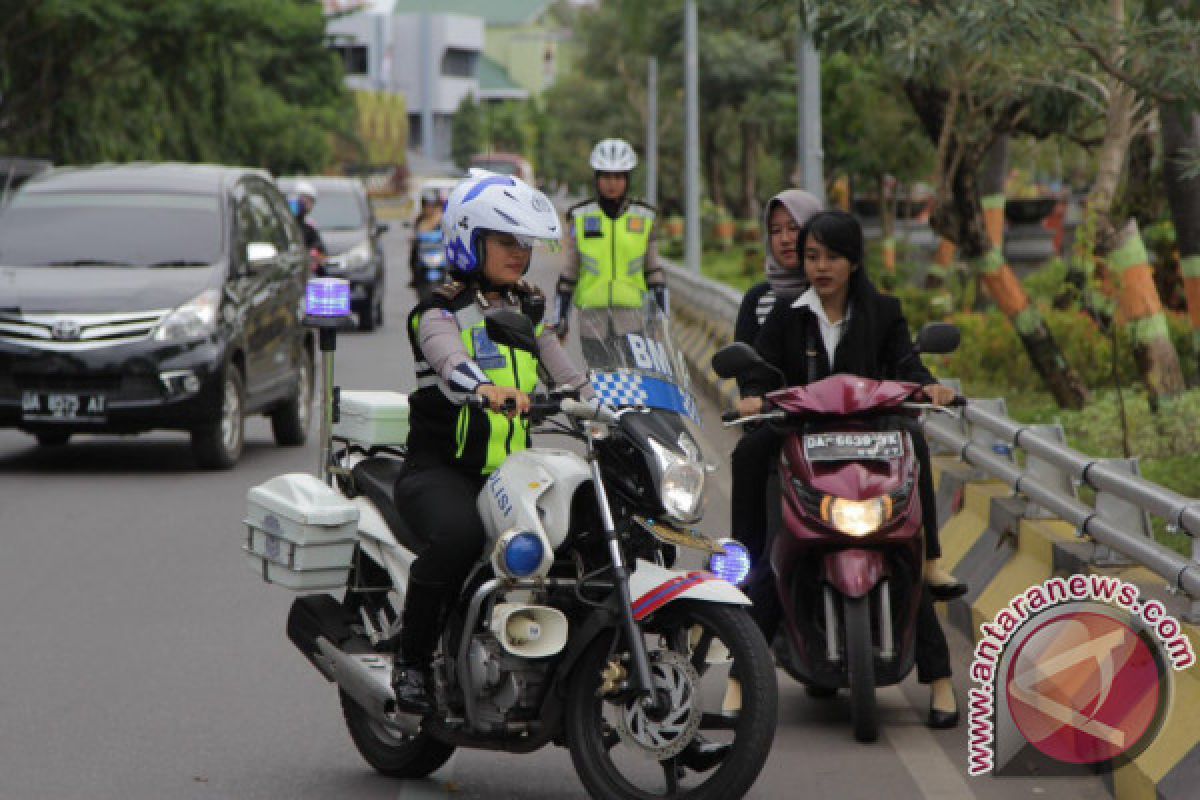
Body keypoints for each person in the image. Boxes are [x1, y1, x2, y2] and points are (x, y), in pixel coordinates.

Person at [738, 210, 960, 728]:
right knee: (766, 517)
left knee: (903, 538)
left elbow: (908, 365)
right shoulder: (789, 313)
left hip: (873, 446)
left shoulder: (884, 311)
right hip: (806, 447)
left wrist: (931, 387)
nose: (820, 266)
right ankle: (739, 580)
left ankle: (941, 673)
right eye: (812, 256)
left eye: (831, 256)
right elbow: (758, 369)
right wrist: (751, 396)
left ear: (853, 261)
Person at [390, 170, 588, 714]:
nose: (519, 254)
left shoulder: (528, 309)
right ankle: (410, 662)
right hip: (442, 471)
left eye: (525, 243)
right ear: (469, 239)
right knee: (457, 537)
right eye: (506, 241)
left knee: (582, 530)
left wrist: (614, 406)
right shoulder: (437, 312)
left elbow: (568, 375)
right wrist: (483, 388)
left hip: (512, 473)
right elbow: (448, 363)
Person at [729, 189, 822, 571]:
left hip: (846, 427)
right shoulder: (764, 301)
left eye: (794, 228)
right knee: (748, 454)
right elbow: (749, 369)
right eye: (776, 230)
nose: (786, 238)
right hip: (784, 422)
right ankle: (742, 567)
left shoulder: (851, 296)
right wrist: (755, 397)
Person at [552, 138, 668, 343]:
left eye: (618, 177)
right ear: (596, 179)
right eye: (606, 177)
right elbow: (570, 271)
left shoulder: (644, 217)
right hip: (592, 321)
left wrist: (662, 319)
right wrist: (560, 318)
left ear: (627, 179)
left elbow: (654, 273)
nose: (612, 183)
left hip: (634, 320)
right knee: (598, 376)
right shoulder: (580, 216)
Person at [408, 189, 445, 287]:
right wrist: (413, 238)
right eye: (427, 205)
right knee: (413, 255)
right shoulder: (419, 219)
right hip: (425, 249)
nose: (429, 208)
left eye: (431, 205)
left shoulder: (442, 217)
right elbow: (414, 232)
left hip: (439, 249)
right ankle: (415, 277)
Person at [289, 179, 327, 260]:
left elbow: (320, 253)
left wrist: (315, 253)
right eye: (306, 200)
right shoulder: (280, 224)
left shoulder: (308, 227)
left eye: (311, 202)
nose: (309, 206)